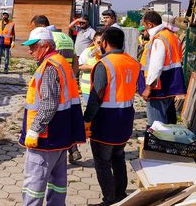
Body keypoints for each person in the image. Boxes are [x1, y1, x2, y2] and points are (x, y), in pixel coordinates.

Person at [19, 27, 85, 206]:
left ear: (45, 46)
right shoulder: (61, 62)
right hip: (61, 134)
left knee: (34, 182)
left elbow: (49, 104)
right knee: (58, 181)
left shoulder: (49, 67)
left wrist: (34, 130)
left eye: (33, 46)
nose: (29, 50)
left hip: (46, 137)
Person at [84, 27, 140, 205]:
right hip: (125, 119)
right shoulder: (132, 62)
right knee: (118, 157)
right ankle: (120, 194)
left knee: (102, 162)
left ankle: (109, 199)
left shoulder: (105, 64)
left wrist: (86, 119)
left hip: (106, 121)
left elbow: (97, 96)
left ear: (105, 43)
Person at [28, 15, 82, 164]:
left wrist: (34, 129)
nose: (30, 51)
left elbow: (49, 100)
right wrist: (72, 78)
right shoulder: (66, 37)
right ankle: (73, 149)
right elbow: (75, 60)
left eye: (34, 29)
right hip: (67, 84)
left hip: (50, 123)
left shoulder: (50, 42)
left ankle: (72, 149)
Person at [138, 11, 186, 125]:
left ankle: (159, 142)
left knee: (157, 126)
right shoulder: (172, 37)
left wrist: (148, 87)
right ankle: (167, 142)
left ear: (150, 24)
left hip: (158, 88)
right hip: (170, 84)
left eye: (144, 25)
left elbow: (156, 66)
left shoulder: (159, 39)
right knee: (167, 122)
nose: (144, 29)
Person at [78, 31, 103, 103]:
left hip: (103, 89)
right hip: (88, 89)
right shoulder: (88, 51)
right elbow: (79, 66)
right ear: (94, 42)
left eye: (102, 42)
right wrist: (94, 67)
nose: (100, 45)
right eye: (98, 42)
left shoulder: (107, 52)